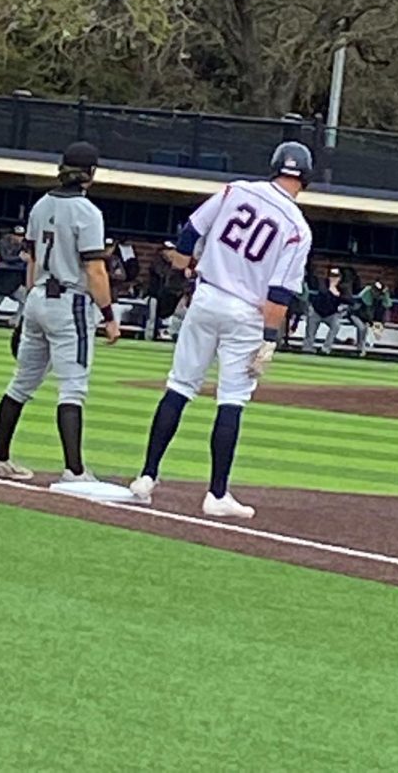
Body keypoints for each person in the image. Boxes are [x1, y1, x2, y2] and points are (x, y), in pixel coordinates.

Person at [128, 141, 313, 518]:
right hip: (246, 312)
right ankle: (216, 493)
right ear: (305, 178)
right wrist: (269, 341)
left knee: (179, 386)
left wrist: (185, 269)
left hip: (207, 297)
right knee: (232, 399)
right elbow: (278, 294)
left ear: (274, 165)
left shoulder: (236, 189)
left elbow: (189, 232)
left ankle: (146, 476)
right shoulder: (298, 228)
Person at [0, 142, 120, 481]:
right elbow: (95, 270)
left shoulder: (41, 205)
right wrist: (109, 316)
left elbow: (30, 261)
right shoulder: (88, 213)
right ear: (91, 173)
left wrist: (26, 310)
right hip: (69, 301)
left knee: (21, 383)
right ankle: (75, 470)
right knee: (72, 388)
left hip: (39, 295)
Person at [0, 225, 30, 326]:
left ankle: (14, 321)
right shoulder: (1, 243)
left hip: (13, 285)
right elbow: (3, 257)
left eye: (21, 236)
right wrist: (19, 258)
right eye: (16, 235)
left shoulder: (24, 246)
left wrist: (23, 258)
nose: (18, 238)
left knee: (29, 300)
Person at [302, 267, 343, 355]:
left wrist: (338, 295)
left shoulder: (342, 288)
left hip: (331, 315)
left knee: (336, 325)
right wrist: (331, 289)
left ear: (339, 278)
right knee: (311, 327)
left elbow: (347, 300)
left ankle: (326, 348)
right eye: (332, 276)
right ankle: (307, 347)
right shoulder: (322, 283)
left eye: (336, 277)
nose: (333, 279)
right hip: (317, 311)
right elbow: (324, 295)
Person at [350, 280, 393, 356]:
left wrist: (386, 293)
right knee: (362, 328)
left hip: (369, 319)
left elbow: (388, 304)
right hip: (356, 315)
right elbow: (366, 311)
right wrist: (371, 323)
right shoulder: (366, 293)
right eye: (375, 290)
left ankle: (363, 349)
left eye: (378, 291)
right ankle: (360, 350)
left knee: (373, 332)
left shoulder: (381, 297)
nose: (376, 293)